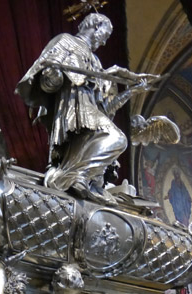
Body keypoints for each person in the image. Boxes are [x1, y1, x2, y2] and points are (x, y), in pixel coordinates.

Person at [16, 12, 157, 205]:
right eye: (105, 35)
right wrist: (53, 74)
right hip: (72, 111)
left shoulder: (96, 62)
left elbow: (105, 109)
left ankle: (75, 177)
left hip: (90, 114)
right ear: (95, 26)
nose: (105, 42)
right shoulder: (66, 41)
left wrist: (131, 92)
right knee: (118, 139)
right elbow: (47, 83)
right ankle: (77, 176)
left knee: (116, 139)